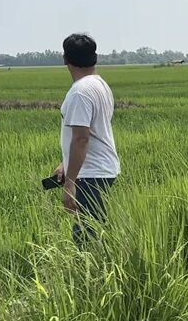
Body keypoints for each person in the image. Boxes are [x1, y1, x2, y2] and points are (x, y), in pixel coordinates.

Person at [53, 33, 121, 246]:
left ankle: (93, 277)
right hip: (100, 169)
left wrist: (70, 183)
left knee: (86, 237)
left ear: (65, 59)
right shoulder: (100, 85)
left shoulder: (79, 93)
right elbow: (92, 133)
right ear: (95, 57)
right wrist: (66, 164)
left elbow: (81, 139)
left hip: (90, 173)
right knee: (94, 229)